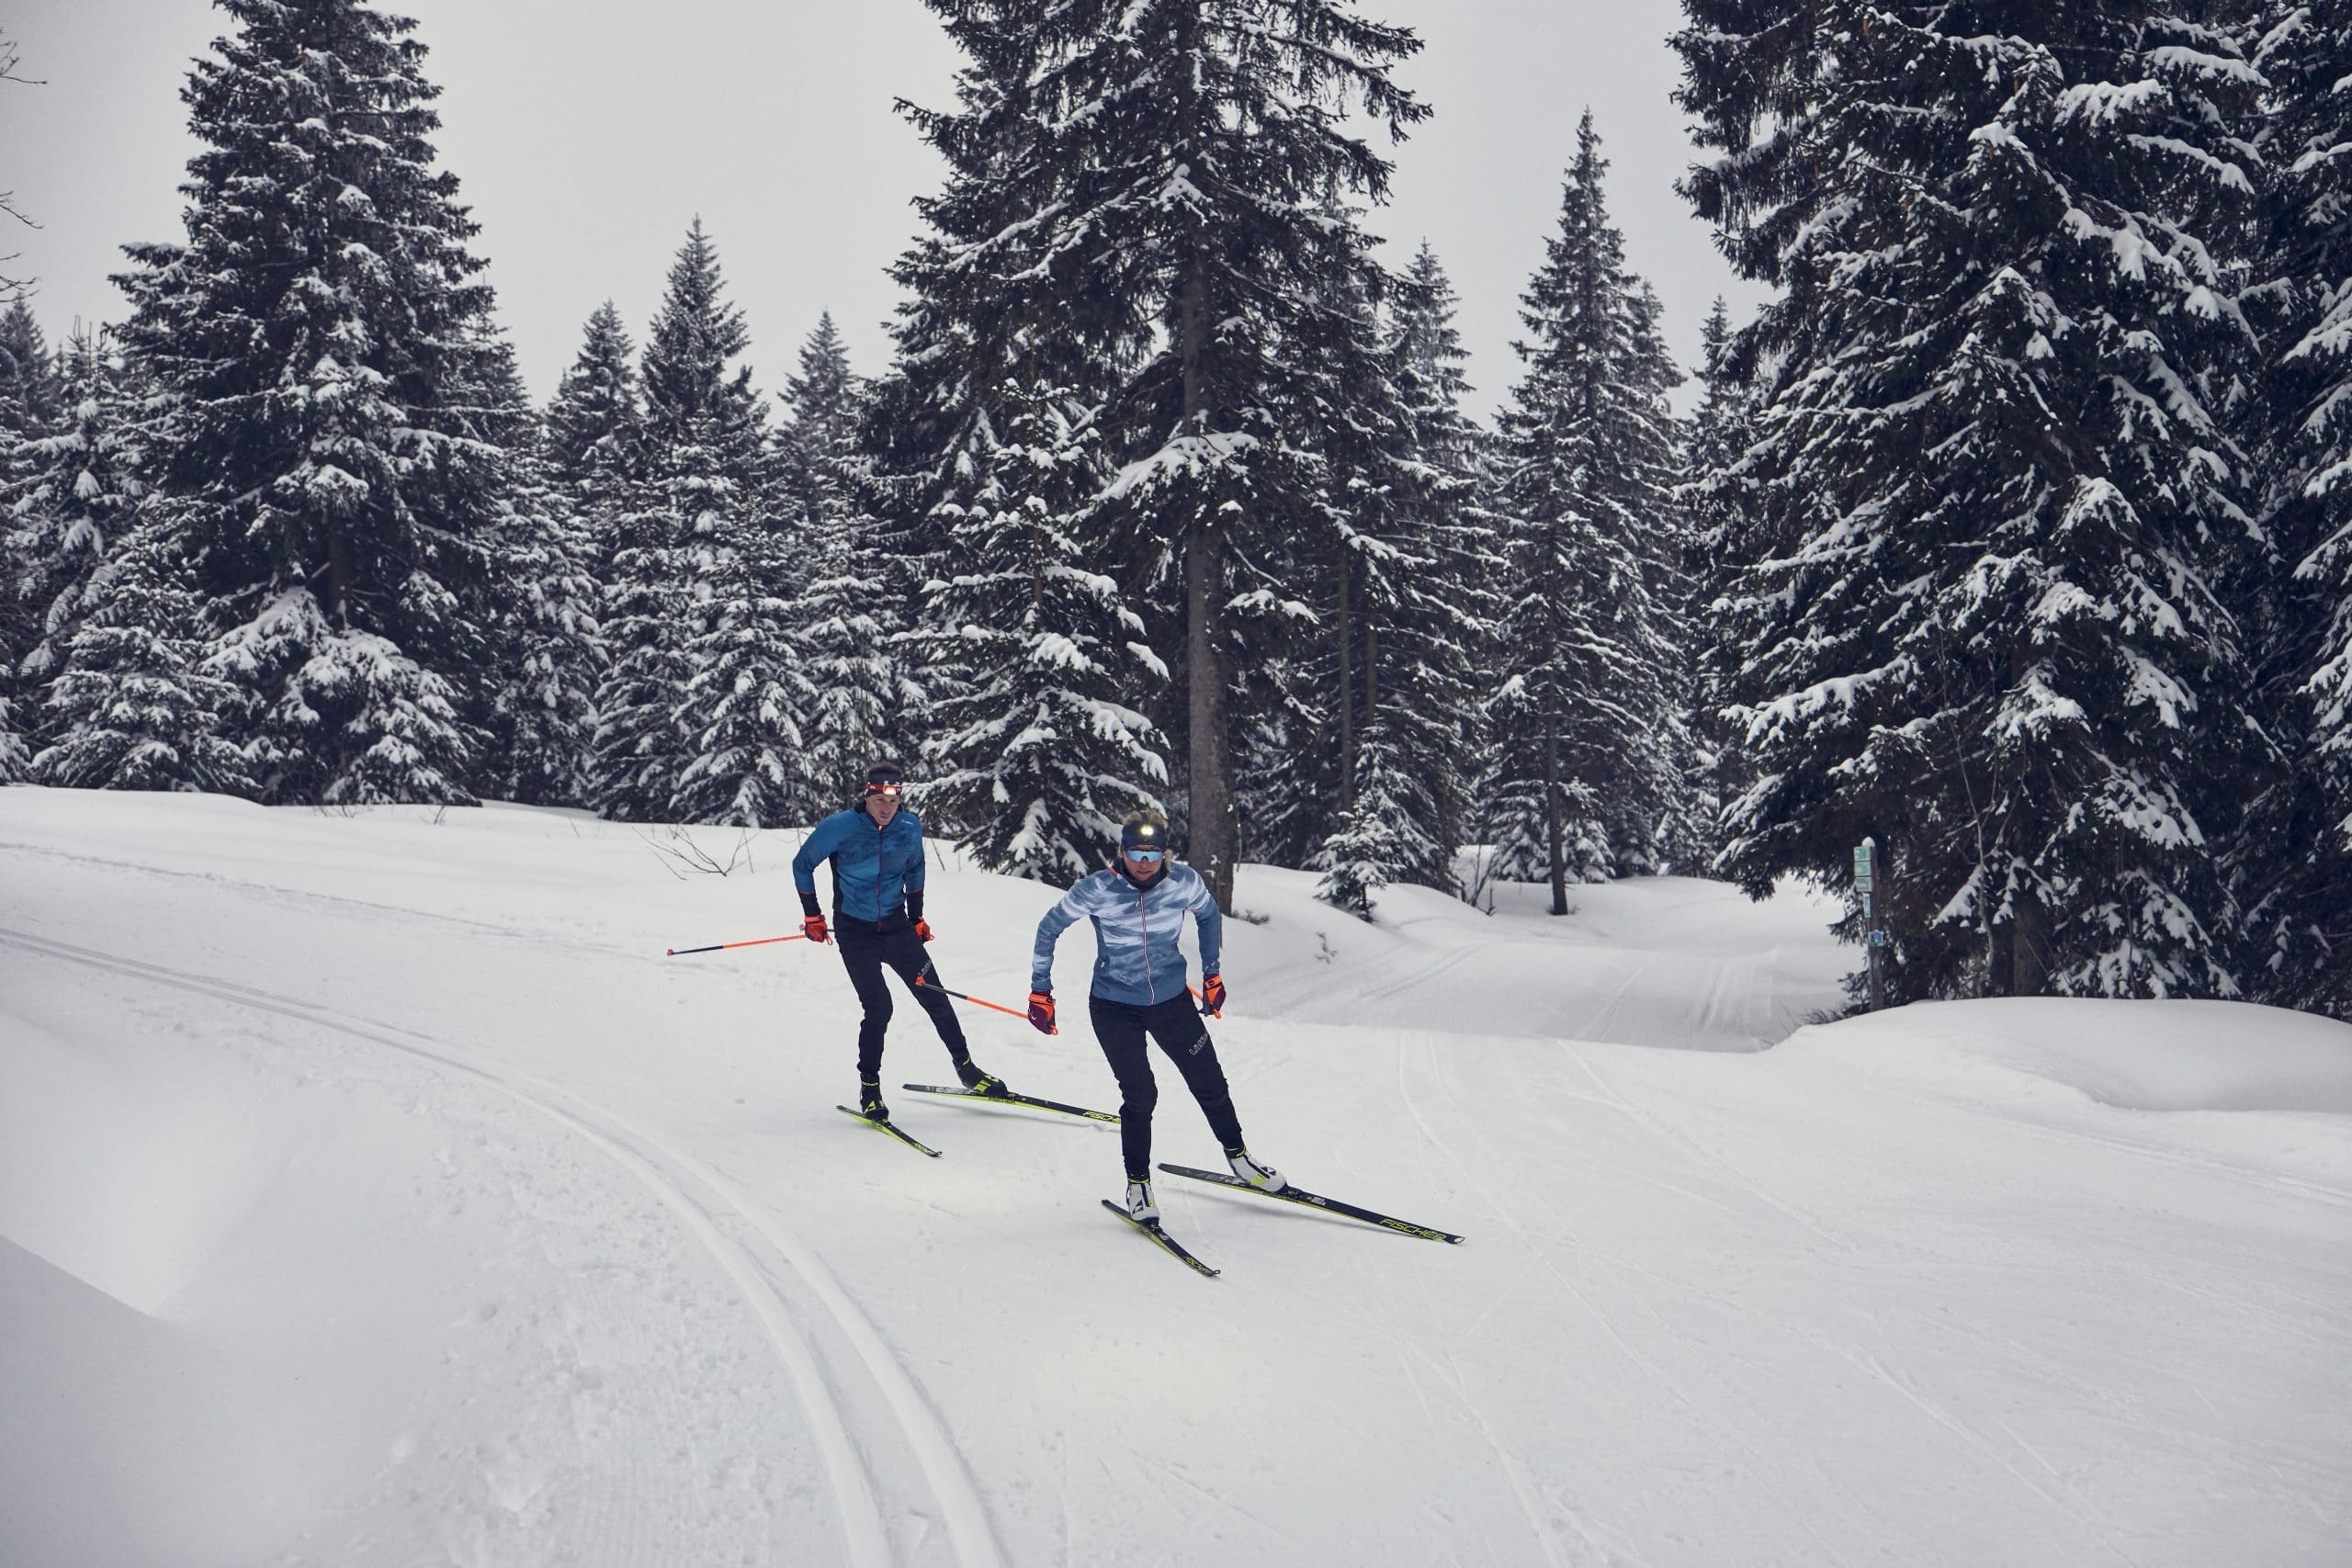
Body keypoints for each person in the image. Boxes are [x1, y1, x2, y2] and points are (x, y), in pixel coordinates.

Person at [1027, 808, 1282, 1223]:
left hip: (1171, 1001)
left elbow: (1208, 913)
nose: (1144, 862)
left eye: (1153, 853)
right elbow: (1048, 927)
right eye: (1135, 852)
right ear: (1121, 851)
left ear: (1165, 853)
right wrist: (1041, 991)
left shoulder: (1184, 882)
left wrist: (1212, 974)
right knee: (1141, 1094)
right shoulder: (1097, 889)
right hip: (1113, 1006)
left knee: (1209, 1081)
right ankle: (1138, 1185)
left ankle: (1240, 1160)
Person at [794, 761, 1002, 1119]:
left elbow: (916, 869)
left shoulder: (909, 826)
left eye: (893, 798)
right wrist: (813, 915)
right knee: (879, 1008)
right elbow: (802, 864)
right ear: (868, 794)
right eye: (879, 797)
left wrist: (917, 917)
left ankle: (967, 1070)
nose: (886, 806)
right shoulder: (839, 827)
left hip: (895, 927)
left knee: (935, 995)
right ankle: (870, 1089)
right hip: (855, 931)